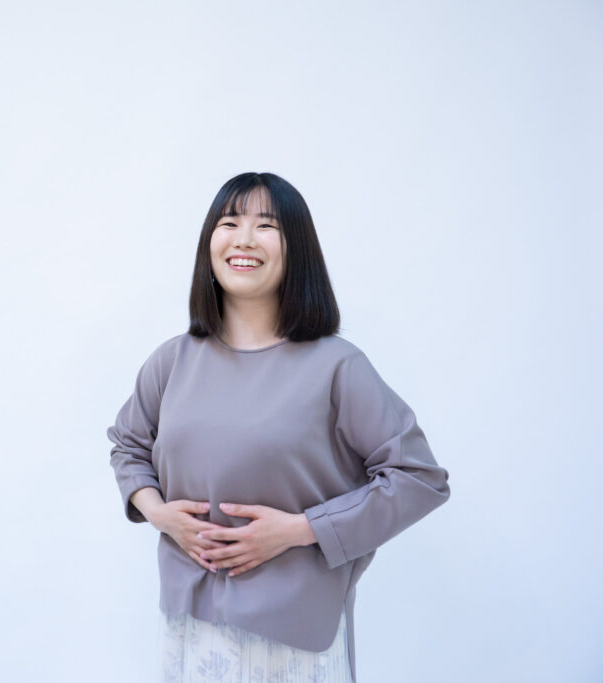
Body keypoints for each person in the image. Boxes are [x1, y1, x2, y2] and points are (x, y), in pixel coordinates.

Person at [108, 172, 450, 683]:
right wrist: (159, 514)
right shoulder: (172, 360)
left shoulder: (337, 366)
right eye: (229, 223)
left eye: (266, 226)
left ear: (297, 250)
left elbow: (418, 478)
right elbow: (128, 445)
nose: (244, 238)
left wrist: (299, 530)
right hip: (189, 631)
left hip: (295, 640)